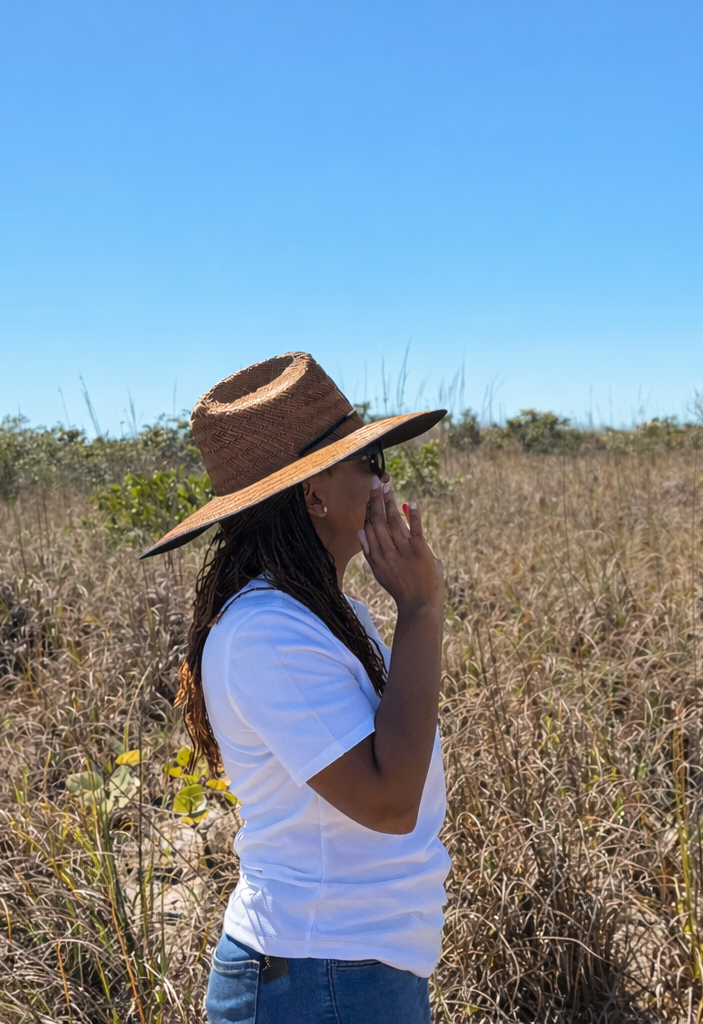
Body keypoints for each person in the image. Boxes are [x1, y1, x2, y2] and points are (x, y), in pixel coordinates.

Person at [141, 353, 450, 1024]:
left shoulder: (326, 617)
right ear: (314, 494)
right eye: (368, 461)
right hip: (320, 979)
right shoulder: (266, 634)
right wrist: (423, 610)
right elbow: (391, 801)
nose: (384, 480)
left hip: (344, 970)